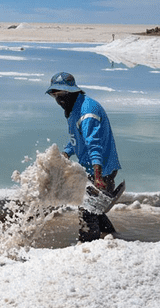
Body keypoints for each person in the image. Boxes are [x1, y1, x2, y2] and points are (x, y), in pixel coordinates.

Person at [46, 71, 122, 242]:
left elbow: (94, 145)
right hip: (92, 168)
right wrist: (65, 153)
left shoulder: (87, 112)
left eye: (62, 95)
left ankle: (87, 247)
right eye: (55, 96)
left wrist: (98, 177)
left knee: (87, 212)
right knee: (96, 208)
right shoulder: (74, 109)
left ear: (72, 92)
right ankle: (113, 237)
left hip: (102, 169)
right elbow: (76, 138)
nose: (59, 100)